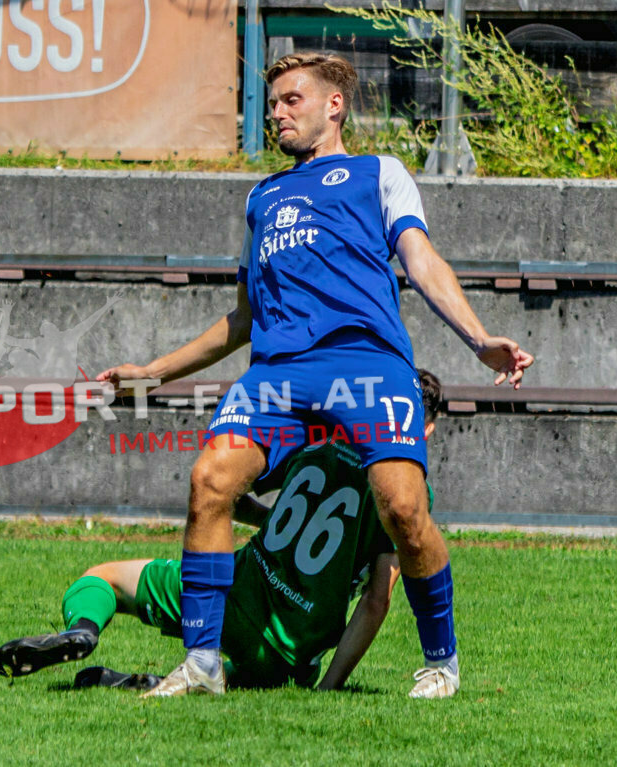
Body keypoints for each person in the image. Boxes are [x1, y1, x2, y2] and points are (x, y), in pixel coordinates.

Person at [95, 53, 534, 698]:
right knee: (210, 481)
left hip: (367, 366)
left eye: (290, 100)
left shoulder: (379, 174)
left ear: (334, 105)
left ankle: (441, 661)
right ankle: (203, 663)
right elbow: (244, 318)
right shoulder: (261, 198)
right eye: (271, 102)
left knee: (403, 510)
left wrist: (478, 338)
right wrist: (154, 374)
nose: (276, 112)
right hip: (278, 375)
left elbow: (421, 259)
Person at [0, 371, 444, 694]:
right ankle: (155, 684)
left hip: (235, 594)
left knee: (104, 577)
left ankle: (86, 630)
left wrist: (250, 513)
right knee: (255, 679)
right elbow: (376, 600)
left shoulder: (319, 437)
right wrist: (328, 687)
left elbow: (265, 510)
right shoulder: (405, 495)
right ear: (424, 428)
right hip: (290, 652)